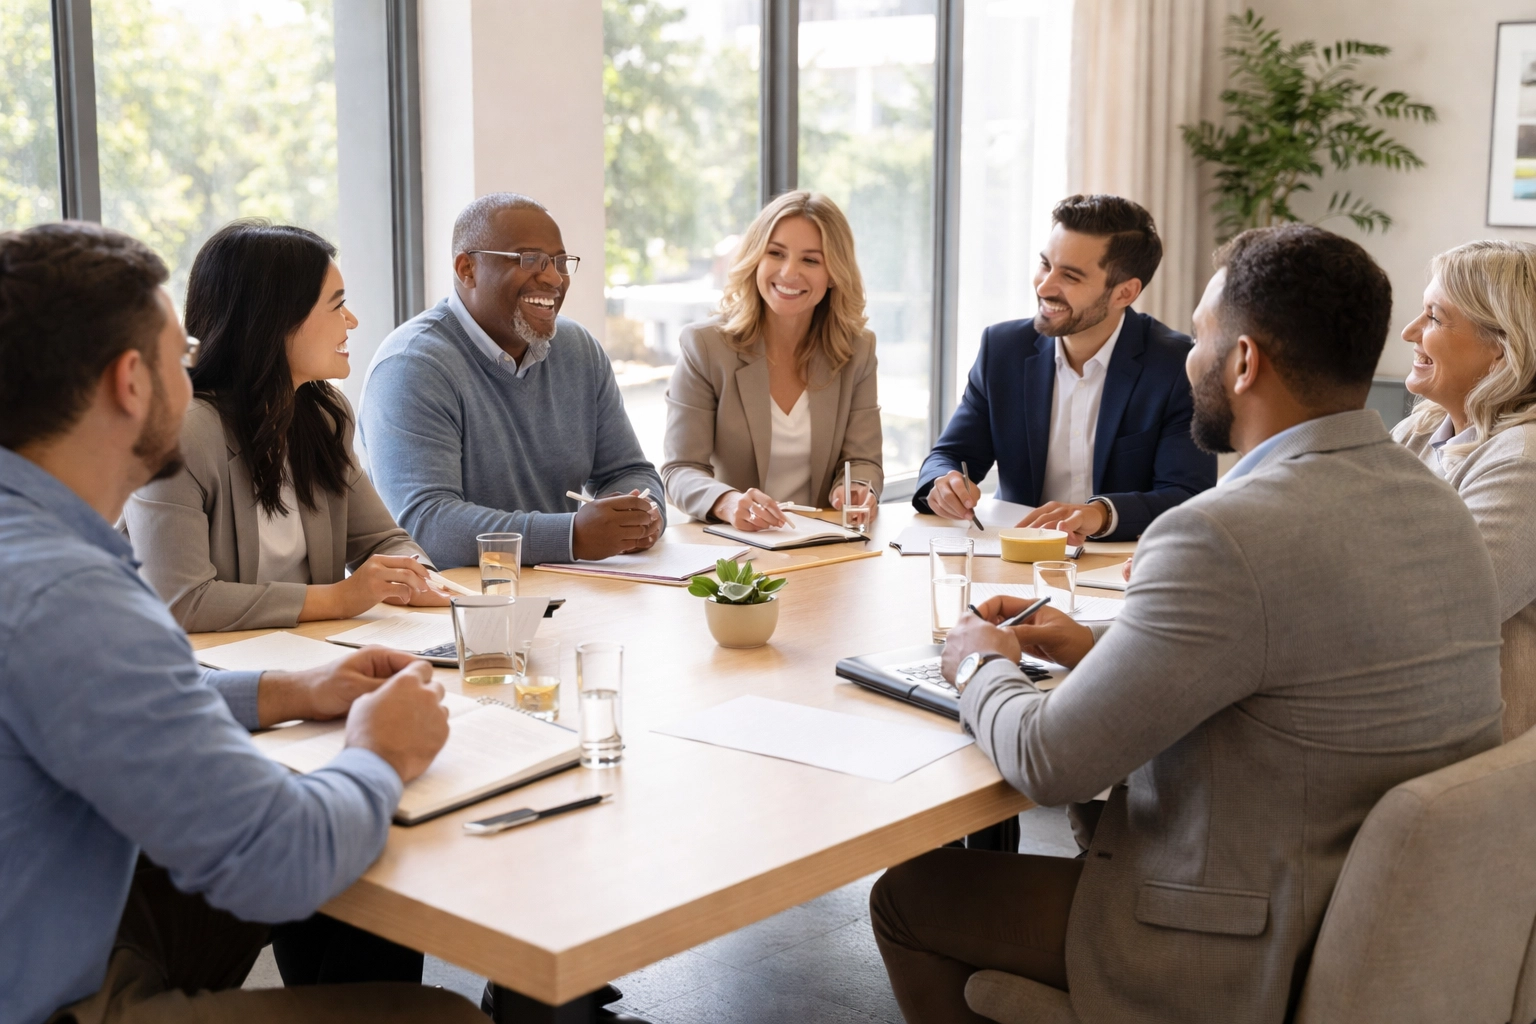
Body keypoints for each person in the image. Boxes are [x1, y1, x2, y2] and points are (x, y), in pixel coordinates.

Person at [872, 225, 1504, 1024]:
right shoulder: (1434, 501)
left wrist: (977, 662)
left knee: (912, 895)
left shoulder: (1222, 531)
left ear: (1244, 363)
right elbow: (1287, 662)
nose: (1186, 357)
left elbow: (1047, 761)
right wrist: (1095, 645)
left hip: (1236, 941)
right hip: (1378, 919)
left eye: (1201, 336)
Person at [0, 222, 482, 1023]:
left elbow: (112, 694)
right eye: (180, 354)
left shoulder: (36, 545)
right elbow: (281, 863)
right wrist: (378, 753)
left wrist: (289, 689)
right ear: (132, 382)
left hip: (50, 908)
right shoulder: (72, 593)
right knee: (445, 1016)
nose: (196, 370)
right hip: (57, 995)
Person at [123, 221, 446, 633]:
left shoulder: (324, 414)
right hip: (194, 671)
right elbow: (181, 602)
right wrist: (340, 597)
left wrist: (413, 576)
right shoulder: (178, 434)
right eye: (336, 305)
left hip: (304, 654)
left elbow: (383, 542)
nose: (352, 321)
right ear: (275, 320)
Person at [361, 192, 663, 568]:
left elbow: (628, 471)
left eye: (558, 261)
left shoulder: (578, 349)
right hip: (448, 609)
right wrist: (572, 536)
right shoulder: (411, 366)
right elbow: (427, 526)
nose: (553, 277)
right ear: (466, 269)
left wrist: (639, 517)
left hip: (563, 589)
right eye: (529, 260)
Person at [914, 194, 1215, 542]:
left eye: (1070, 276)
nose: (1044, 286)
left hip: (1121, 566)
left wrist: (1100, 515)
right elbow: (950, 454)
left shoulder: (1177, 366)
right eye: (1045, 264)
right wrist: (944, 482)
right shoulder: (1003, 349)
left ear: (1124, 293)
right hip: (1016, 557)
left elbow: (1188, 497)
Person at [661, 190, 881, 530]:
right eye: (776, 253)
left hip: (823, 547)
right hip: (734, 550)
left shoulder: (857, 350)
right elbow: (680, 470)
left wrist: (856, 488)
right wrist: (727, 502)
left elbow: (863, 460)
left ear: (834, 273)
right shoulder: (704, 347)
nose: (789, 272)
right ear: (755, 259)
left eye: (811, 260)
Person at [1394, 240, 1536, 740]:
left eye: (1434, 317)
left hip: (1481, 750)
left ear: (1504, 343)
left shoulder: (1526, 461)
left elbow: (1443, 609)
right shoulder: (1419, 430)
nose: (1411, 331)